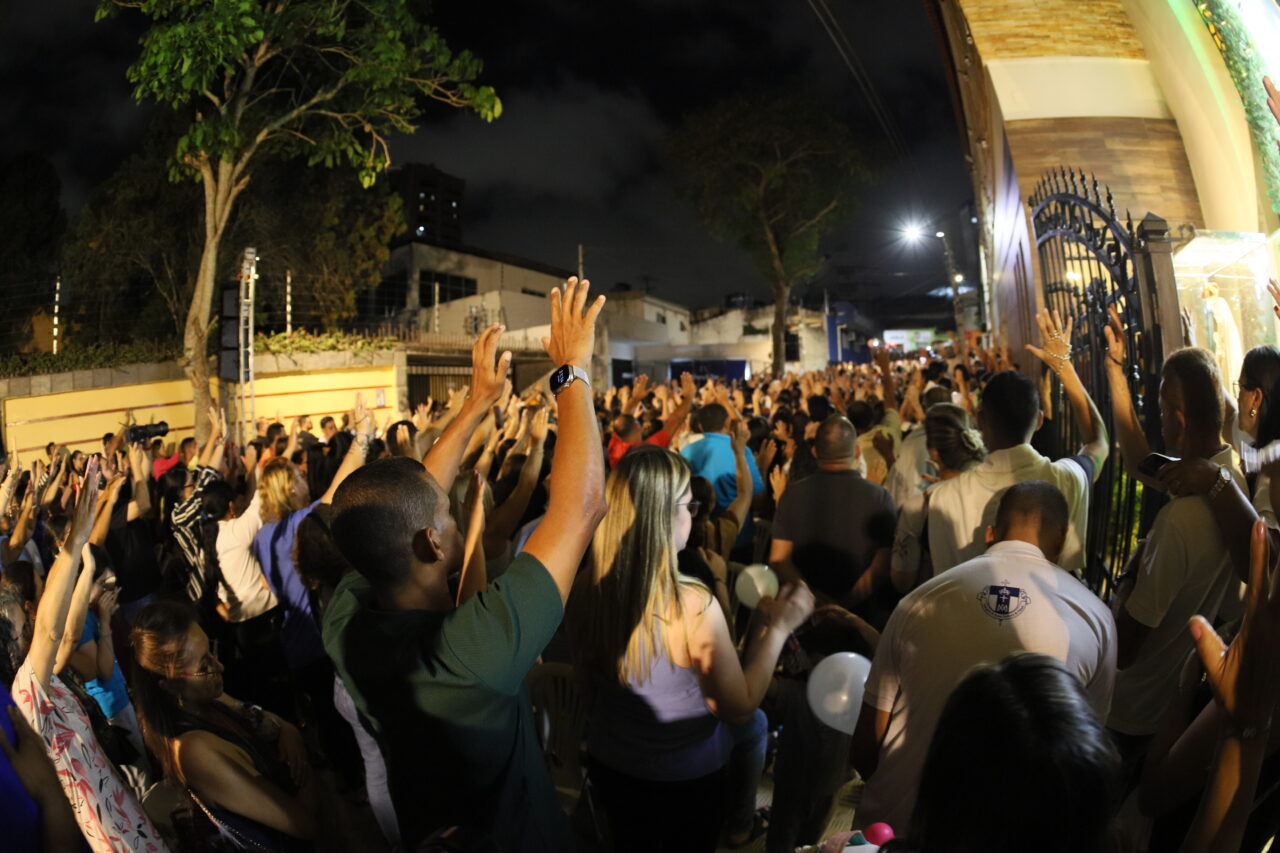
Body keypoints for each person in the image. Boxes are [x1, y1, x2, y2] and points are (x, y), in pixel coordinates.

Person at [324, 278, 608, 851]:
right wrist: (570, 372)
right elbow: (583, 506)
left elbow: (408, 501)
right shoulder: (473, 650)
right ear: (431, 545)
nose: (458, 516)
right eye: (449, 518)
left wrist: (478, 402)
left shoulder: (345, 616)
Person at [570, 446, 814, 852]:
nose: (694, 515)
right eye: (690, 506)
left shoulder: (586, 585)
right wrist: (779, 629)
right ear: (662, 516)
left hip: (611, 764)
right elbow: (739, 708)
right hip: (681, 779)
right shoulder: (691, 603)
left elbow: (584, 685)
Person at [852, 481, 1117, 836]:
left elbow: (865, 748)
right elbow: (1084, 754)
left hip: (901, 828)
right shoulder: (1096, 617)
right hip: (1018, 833)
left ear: (991, 533)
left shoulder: (918, 601)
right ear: (1061, 541)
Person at [3, 460, 169, 853]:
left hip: (120, 806)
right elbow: (54, 631)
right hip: (105, 832)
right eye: (14, 617)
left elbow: (61, 633)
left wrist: (83, 562)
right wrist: (75, 544)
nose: (45, 603)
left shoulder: (48, 678)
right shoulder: (24, 692)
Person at [1100, 328, 1246, 773]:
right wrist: (1115, 372)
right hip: (1178, 700)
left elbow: (1125, 647)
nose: (1158, 419)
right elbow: (1139, 461)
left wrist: (1129, 573)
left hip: (1136, 712)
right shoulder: (1230, 476)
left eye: (1161, 409)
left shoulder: (1181, 519)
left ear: (1178, 421)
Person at [925, 310, 1108, 576]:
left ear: (980, 420)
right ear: (1039, 420)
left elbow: (943, 581)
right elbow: (1098, 441)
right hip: (1054, 604)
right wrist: (1064, 365)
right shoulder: (1068, 478)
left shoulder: (943, 498)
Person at [129, 600, 318, 851]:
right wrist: (302, 760)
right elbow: (303, 824)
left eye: (212, 652)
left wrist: (287, 729)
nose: (219, 666)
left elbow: (266, 720)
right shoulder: (195, 751)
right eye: (204, 666)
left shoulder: (206, 698)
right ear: (169, 686)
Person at [769, 415, 896, 626]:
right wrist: (843, 605)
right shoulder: (880, 497)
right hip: (859, 619)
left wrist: (814, 600)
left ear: (815, 452)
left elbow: (778, 560)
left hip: (803, 616)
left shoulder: (791, 494)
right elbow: (882, 566)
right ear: (857, 451)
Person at [890, 404, 986, 593]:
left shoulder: (921, 506)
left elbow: (901, 580)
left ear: (934, 453)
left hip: (941, 604)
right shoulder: (999, 492)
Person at [681, 401, 765, 553]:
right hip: (738, 535)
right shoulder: (742, 451)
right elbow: (757, 498)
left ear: (700, 426)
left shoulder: (687, 451)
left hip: (700, 540)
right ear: (727, 422)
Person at [608, 372, 696, 468]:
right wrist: (689, 396)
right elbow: (675, 420)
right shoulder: (648, 450)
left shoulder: (615, 449)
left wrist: (634, 399)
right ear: (638, 426)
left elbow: (623, 423)